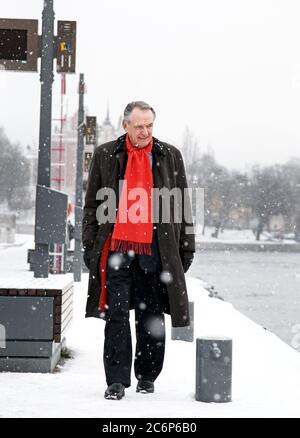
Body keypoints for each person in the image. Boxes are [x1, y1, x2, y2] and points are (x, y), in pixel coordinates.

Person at [82, 101, 195, 400]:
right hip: (116, 249)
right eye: (139, 126)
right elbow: (93, 203)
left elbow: (183, 203)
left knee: (151, 316)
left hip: (155, 249)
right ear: (125, 126)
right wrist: (89, 244)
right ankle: (116, 380)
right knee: (116, 315)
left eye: (149, 126)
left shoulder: (169, 155)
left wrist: (187, 247)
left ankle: (147, 375)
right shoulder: (107, 154)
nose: (145, 132)